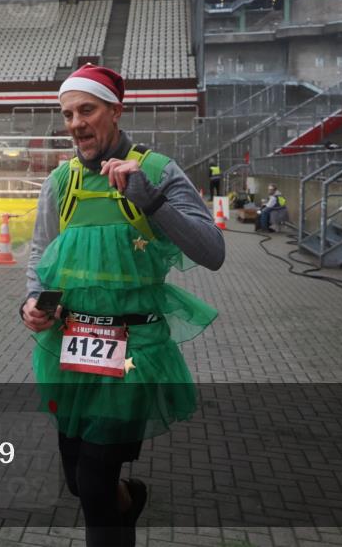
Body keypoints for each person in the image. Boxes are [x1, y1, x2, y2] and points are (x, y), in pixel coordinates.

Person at [21, 64, 224, 547]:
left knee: (92, 486)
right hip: (69, 352)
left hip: (132, 354)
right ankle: (129, 498)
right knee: (81, 483)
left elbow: (212, 253)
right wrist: (33, 301)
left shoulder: (156, 171)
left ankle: (115, 506)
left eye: (86, 110)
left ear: (115, 110)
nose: (75, 123)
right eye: (67, 114)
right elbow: (42, 253)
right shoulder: (62, 181)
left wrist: (149, 200)